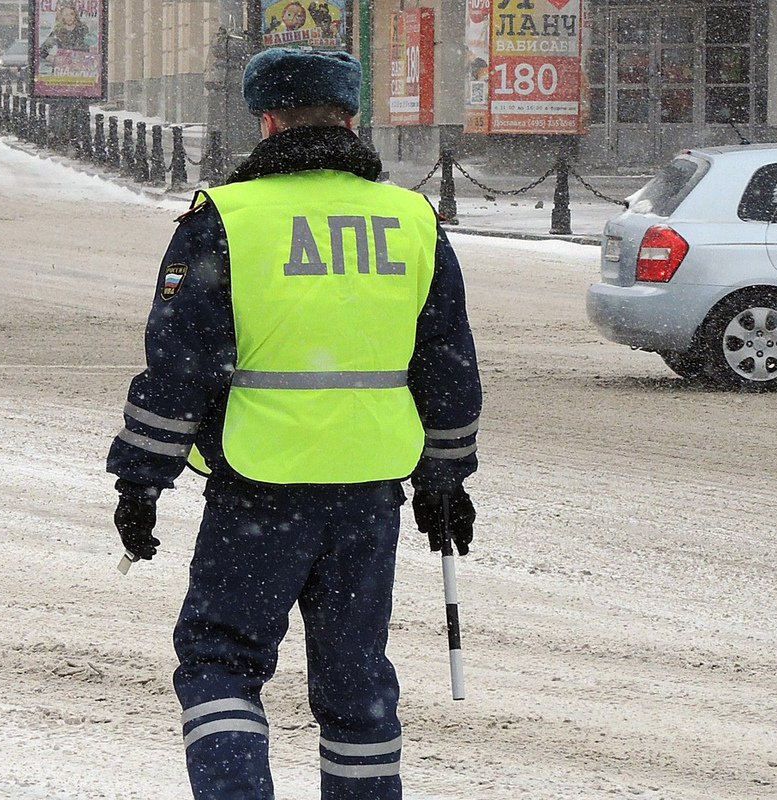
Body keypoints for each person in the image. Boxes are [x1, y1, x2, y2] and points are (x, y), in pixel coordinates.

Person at [107, 47, 480, 800]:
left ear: (267, 121)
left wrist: (141, 479)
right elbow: (446, 360)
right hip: (370, 489)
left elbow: (181, 363)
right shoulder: (410, 218)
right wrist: (446, 477)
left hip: (261, 489)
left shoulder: (229, 220)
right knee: (356, 680)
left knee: (220, 661)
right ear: (349, 118)